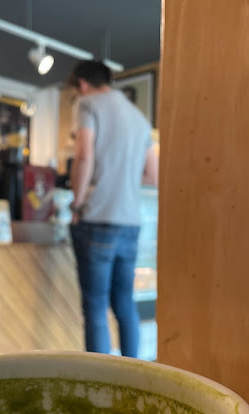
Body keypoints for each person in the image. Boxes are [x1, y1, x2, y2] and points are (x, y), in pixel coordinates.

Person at [67, 60, 158, 358]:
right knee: (125, 304)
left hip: (97, 219)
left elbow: (84, 156)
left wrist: (77, 203)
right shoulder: (139, 118)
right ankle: (133, 375)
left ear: (82, 84)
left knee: (95, 307)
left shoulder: (87, 104)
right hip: (130, 224)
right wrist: (123, 178)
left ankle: (98, 378)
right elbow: (153, 175)